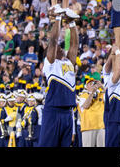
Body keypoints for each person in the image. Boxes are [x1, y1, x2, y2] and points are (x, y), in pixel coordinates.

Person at [38, 9, 80, 147]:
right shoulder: (50, 63)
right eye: (58, 49)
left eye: (61, 48)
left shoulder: (68, 62)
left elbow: (74, 45)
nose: (61, 48)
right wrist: (58, 19)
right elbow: (53, 41)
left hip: (68, 112)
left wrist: (72, 24)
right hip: (53, 111)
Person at [78, 76, 105, 147]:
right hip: (87, 128)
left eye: (94, 83)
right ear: (86, 87)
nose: (93, 85)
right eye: (90, 84)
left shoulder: (101, 94)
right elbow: (86, 106)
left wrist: (102, 87)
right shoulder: (82, 95)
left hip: (101, 127)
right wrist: (92, 92)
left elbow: (111, 99)